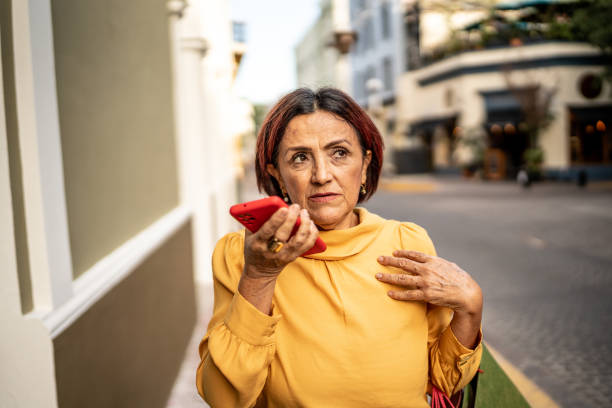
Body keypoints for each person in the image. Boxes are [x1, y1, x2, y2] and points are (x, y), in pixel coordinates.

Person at [196, 88, 483, 407]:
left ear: (364, 165)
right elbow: (223, 399)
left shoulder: (407, 241)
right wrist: (260, 275)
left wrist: (470, 308)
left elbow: (443, 380)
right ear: (277, 175)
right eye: (300, 158)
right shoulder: (242, 255)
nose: (322, 175)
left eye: (340, 153)